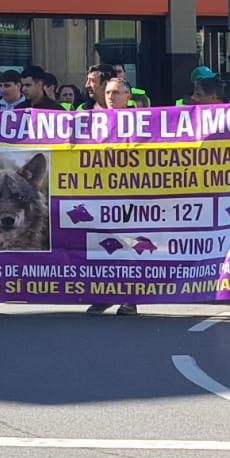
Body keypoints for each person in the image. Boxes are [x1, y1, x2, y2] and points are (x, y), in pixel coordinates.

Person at [88, 79, 141, 317]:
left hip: (129, 194)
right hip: (100, 194)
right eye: (108, 91)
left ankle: (129, 299)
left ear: (128, 96)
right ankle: (105, 295)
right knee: (103, 246)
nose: (111, 96)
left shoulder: (141, 122)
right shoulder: (92, 120)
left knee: (128, 246)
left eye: (117, 92)